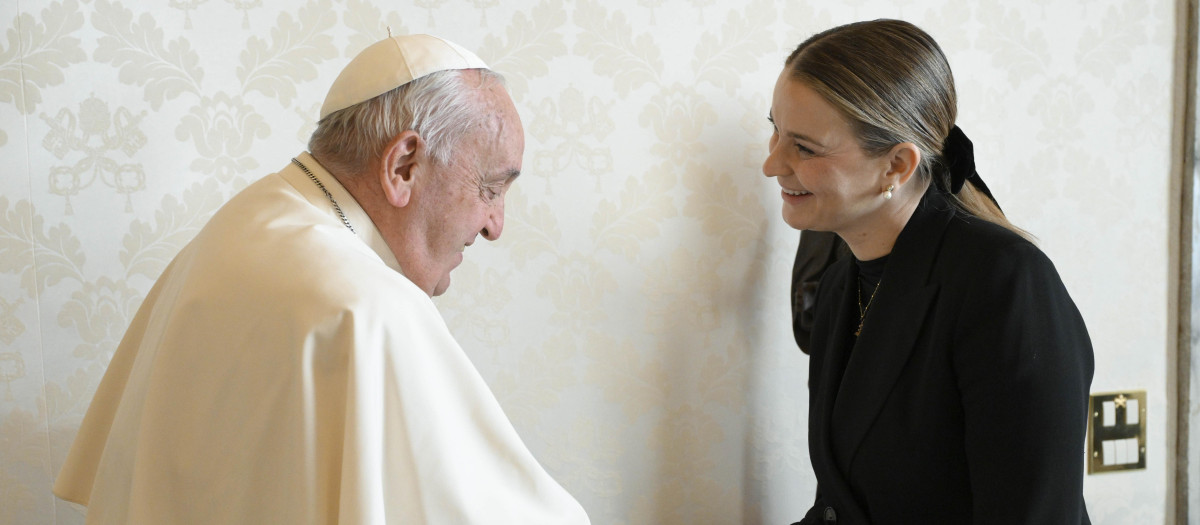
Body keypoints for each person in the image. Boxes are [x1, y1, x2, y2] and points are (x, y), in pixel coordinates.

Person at [53, 34, 590, 524]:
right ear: (403, 165)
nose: (496, 226)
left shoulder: (243, 223)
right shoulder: (369, 309)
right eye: (492, 189)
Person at [763, 20, 1094, 524]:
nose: (772, 164)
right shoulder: (837, 288)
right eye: (775, 132)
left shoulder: (1005, 283)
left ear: (895, 165)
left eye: (804, 147)